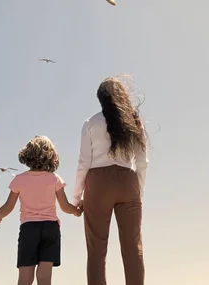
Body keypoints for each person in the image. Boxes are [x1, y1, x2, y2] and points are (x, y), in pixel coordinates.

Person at [72, 76, 149, 285]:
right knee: (133, 249)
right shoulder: (134, 121)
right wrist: (137, 190)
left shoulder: (90, 123)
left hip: (98, 183)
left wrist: (77, 197)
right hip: (128, 180)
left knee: (96, 250)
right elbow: (142, 161)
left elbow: (83, 163)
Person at [0, 135, 81, 285]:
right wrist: (76, 211)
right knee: (44, 277)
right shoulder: (55, 179)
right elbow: (65, 206)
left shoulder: (19, 179)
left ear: (27, 156)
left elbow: (8, 207)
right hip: (51, 228)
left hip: (29, 229)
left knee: (25, 276)